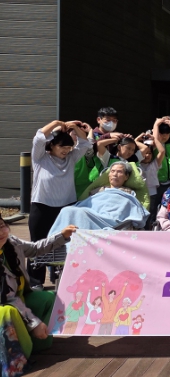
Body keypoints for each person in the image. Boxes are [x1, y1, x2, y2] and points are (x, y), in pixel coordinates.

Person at [0, 218, 77, 366]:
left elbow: (35, 249)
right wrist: (34, 323)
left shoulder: (12, 242)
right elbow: (8, 299)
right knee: (8, 311)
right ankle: (19, 356)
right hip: (6, 305)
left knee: (48, 298)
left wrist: (62, 236)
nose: (1, 233)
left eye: (2, 226)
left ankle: (38, 343)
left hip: (19, 298)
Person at [28, 120, 90, 289]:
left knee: (66, 243)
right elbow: (39, 137)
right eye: (62, 146)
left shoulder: (71, 158)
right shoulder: (40, 158)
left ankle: (63, 279)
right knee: (38, 244)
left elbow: (85, 143)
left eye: (69, 147)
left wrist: (74, 127)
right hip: (42, 206)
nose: (66, 150)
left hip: (66, 207)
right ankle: (35, 282)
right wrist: (57, 122)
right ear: (52, 145)